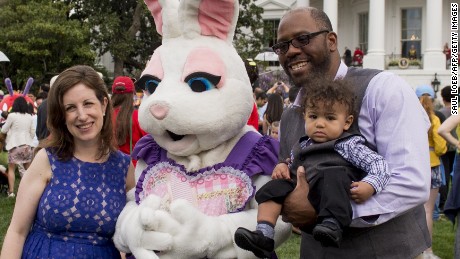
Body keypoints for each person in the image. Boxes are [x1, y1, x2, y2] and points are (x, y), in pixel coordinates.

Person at [272, 7, 430, 258]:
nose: (291, 51)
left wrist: (326, 213)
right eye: (282, 46)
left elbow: (412, 182)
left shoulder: (384, 89)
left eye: (303, 39)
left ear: (331, 41)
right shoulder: (291, 116)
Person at [234, 79, 390, 257]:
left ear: (347, 122)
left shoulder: (348, 144)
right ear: (305, 117)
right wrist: (284, 166)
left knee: (333, 175)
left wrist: (370, 185)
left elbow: (379, 165)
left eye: (330, 118)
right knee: (273, 187)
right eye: (314, 116)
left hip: (329, 193)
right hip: (301, 188)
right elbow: (292, 163)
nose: (320, 124)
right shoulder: (302, 144)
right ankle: (264, 233)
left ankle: (332, 224)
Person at [0, 65, 135, 258]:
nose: (81, 115)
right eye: (70, 108)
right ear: (62, 116)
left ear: (104, 105)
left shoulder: (123, 167)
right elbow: (17, 231)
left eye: (88, 103)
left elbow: (128, 239)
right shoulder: (46, 159)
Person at [416, 85, 446, 259]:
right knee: (428, 210)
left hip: (416, 164)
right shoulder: (433, 118)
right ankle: (427, 249)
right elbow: (441, 146)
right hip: (432, 164)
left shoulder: (412, 118)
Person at [0, 96, 35, 197]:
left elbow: (4, 130)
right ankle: (31, 189)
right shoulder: (29, 116)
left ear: (15, 105)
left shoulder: (12, 116)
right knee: (28, 169)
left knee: (11, 169)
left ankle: (11, 192)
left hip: (15, 145)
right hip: (27, 146)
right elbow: (32, 132)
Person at [111, 76, 147, 167]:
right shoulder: (139, 116)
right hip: (134, 170)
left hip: (110, 169)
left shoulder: (104, 117)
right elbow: (150, 144)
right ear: (132, 94)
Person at [438, 85, 456, 210]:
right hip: (456, 147)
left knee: (444, 175)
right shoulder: (457, 111)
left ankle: (444, 203)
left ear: (443, 98)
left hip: (444, 148)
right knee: (455, 176)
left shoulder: (440, 113)